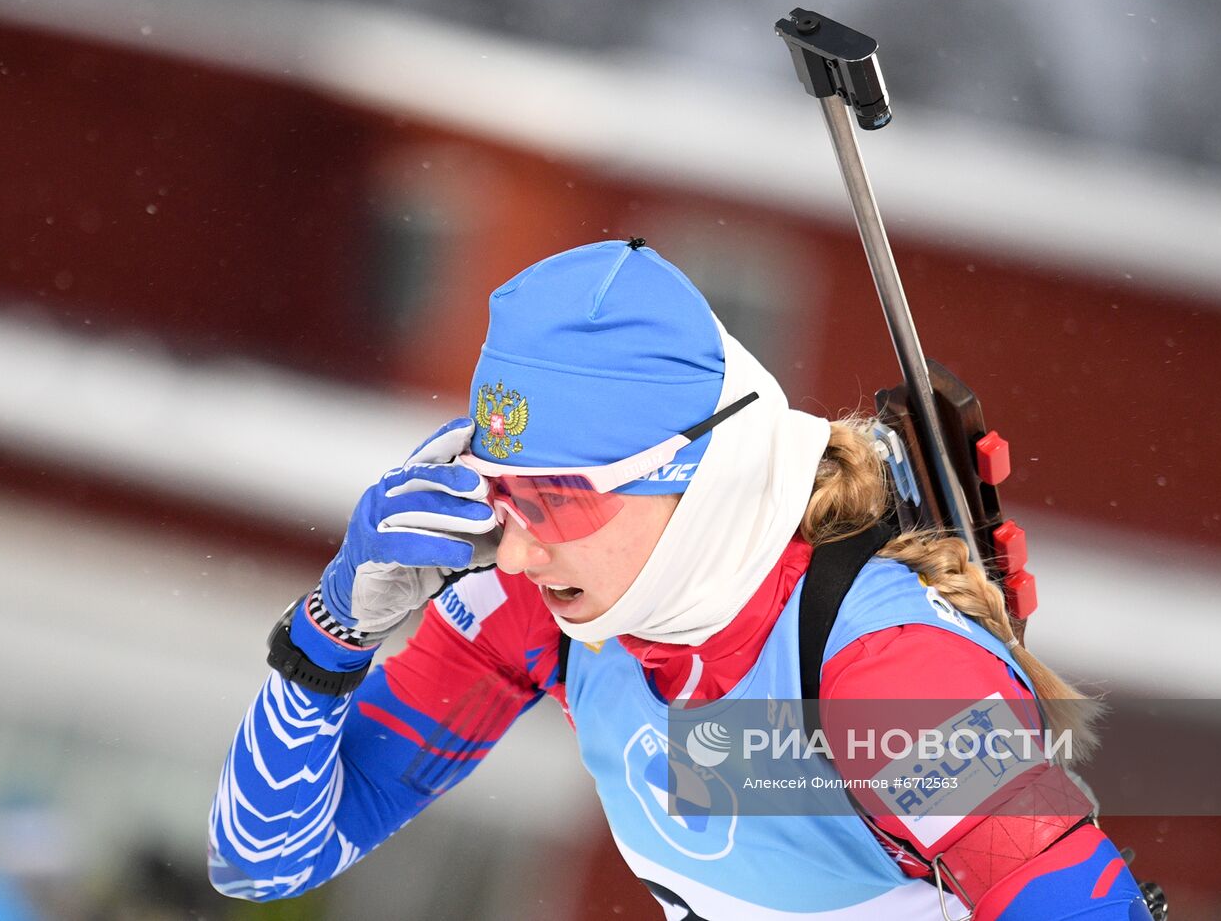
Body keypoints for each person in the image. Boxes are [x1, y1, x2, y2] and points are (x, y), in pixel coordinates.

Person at [208, 239, 1154, 919]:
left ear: (693, 477)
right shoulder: (550, 607)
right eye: (498, 496)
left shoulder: (889, 675)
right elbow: (264, 858)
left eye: (557, 502)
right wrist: (333, 631)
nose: (518, 550)